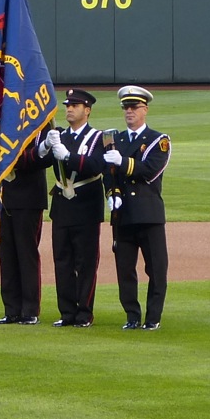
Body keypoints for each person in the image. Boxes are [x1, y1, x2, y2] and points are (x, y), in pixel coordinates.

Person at [103, 84, 171, 330]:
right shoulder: (114, 139)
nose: (129, 111)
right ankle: (132, 316)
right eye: (126, 108)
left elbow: (150, 171)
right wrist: (112, 193)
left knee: (156, 268)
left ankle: (153, 317)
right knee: (125, 270)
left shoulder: (158, 140)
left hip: (148, 214)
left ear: (145, 110)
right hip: (123, 215)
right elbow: (108, 173)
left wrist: (123, 162)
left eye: (134, 107)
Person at [42, 88, 106, 327]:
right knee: (62, 261)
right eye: (68, 105)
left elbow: (97, 165)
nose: (69, 109)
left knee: (86, 262)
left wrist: (68, 156)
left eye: (75, 106)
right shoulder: (59, 135)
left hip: (86, 207)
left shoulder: (98, 138)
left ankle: (84, 313)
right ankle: (67, 312)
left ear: (87, 110)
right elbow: (40, 161)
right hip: (62, 207)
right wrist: (44, 146)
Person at [0, 119, 51, 327]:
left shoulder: (40, 120)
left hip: (29, 197)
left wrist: (13, 159)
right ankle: (11, 309)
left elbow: (45, 159)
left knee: (26, 255)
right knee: (6, 254)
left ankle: (29, 310)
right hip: (4, 196)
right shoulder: (3, 120)